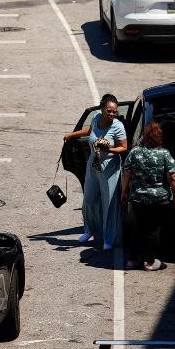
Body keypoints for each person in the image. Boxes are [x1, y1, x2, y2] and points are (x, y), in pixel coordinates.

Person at [62, 94, 127, 251]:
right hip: (93, 164)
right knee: (89, 200)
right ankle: (90, 230)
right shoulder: (96, 117)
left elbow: (124, 147)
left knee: (109, 204)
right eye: (109, 111)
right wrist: (72, 135)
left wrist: (109, 149)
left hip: (109, 167)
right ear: (102, 108)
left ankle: (109, 238)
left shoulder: (118, 127)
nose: (112, 114)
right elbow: (91, 130)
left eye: (114, 112)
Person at [125, 120, 175, 271]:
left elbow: (127, 173)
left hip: (138, 198)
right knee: (154, 229)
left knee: (138, 228)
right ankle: (150, 262)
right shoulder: (164, 153)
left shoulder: (135, 152)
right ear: (159, 137)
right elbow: (172, 177)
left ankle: (131, 260)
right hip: (159, 199)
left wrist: (124, 192)